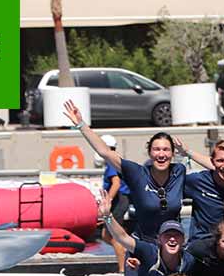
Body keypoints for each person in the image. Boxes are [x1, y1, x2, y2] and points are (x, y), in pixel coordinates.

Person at [66, 100, 207, 241]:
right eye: (156, 149)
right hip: (144, 244)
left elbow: (221, 169)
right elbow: (105, 152)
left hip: (172, 245)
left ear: (172, 153)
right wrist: (81, 124)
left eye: (166, 150)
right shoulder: (137, 173)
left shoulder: (179, 171)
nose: (161, 154)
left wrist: (187, 152)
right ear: (150, 153)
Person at [100, 134, 132, 272]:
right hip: (122, 199)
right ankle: (126, 256)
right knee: (106, 235)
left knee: (114, 237)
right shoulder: (115, 159)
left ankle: (122, 269)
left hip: (120, 200)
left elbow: (116, 183)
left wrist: (108, 200)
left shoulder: (111, 161)